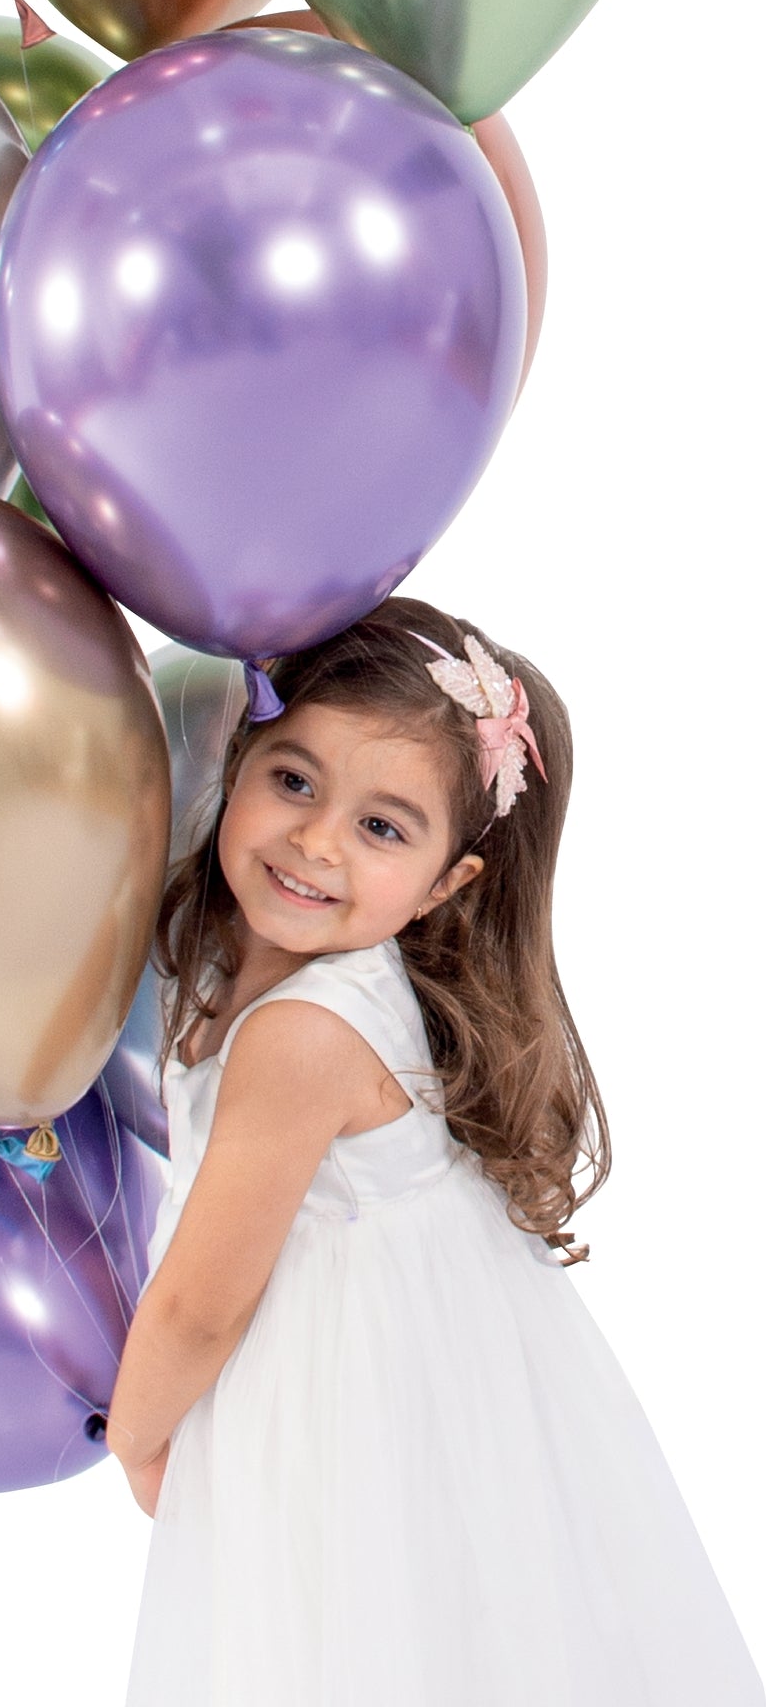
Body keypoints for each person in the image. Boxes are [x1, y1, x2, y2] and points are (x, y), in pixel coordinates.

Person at [108, 598, 763, 1706]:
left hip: (355, 1409)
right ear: (236, 765)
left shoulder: (303, 1037)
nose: (317, 841)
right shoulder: (241, 954)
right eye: (294, 781)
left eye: (383, 828)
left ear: (445, 884)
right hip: (409, 1385)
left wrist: (135, 1440)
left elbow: (198, 1311)